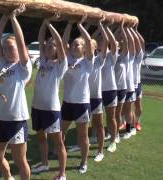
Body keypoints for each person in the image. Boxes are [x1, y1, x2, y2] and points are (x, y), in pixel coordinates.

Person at [0, 5, 32, 180]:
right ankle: (8, 176)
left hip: (16, 120)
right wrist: (4, 15)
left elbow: (22, 43)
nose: (8, 50)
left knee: (20, 160)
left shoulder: (23, 68)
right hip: (0, 118)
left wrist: (13, 18)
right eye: (5, 48)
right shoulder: (1, 63)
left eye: (11, 48)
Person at [30, 17, 67, 180]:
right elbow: (40, 40)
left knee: (58, 143)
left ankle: (62, 174)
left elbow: (59, 42)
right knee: (41, 138)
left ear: (58, 49)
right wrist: (44, 23)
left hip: (51, 110)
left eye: (51, 45)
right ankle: (44, 163)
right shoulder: (44, 61)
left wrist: (51, 25)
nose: (47, 46)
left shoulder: (60, 65)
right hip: (37, 107)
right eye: (47, 45)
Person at [61, 15, 94, 174]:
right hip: (67, 103)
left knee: (82, 136)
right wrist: (69, 24)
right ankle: (61, 156)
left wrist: (80, 25)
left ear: (84, 48)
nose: (74, 45)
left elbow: (88, 41)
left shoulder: (87, 62)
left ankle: (83, 162)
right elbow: (63, 42)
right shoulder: (67, 58)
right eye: (73, 44)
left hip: (81, 104)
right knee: (60, 133)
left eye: (78, 44)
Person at [88, 18, 108, 162]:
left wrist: (101, 25)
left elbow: (106, 42)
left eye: (91, 46)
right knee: (83, 126)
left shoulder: (99, 60)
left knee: (99, 124)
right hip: (82, 98)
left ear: (95, 48)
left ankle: (100, 151)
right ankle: (83, 144)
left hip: (96, 98)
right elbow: (84, 38)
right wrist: (85, 25)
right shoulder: (82, 60)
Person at [101, 21, 119, 153]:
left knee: (110, 116)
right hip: (97, 92)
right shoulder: (96, 56)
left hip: (110, 90)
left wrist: (106, 27)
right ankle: (100, 136)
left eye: (103, 42)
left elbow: (112, 42)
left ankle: (113, 140)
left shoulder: (111, 56)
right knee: (98, 118)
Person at [114, 20, 129, 143]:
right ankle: (113, 132)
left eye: (118, 45)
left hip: (122, 88)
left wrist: (123, 28)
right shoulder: (108, 56)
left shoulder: (124, 57)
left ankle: (118, 133)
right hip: (111, 88)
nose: (117, 47)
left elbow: (127, 43)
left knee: (118, 113)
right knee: (111, 114)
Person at [122, 25, 137, 139]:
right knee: (123, 110)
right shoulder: (119, 56)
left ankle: (130, 129)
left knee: (128, 110)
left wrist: (127, 29)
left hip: (129, 87)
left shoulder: (130, 56)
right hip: (121, 87)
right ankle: (129, 127)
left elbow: (130, 41)